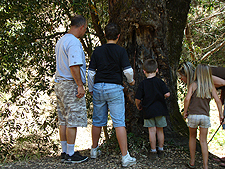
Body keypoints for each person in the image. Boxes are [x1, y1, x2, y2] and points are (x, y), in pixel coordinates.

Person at [88, 22, 136, 167]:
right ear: (118, 36)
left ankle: (94, 150)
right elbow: (127, 71)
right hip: (114, 88)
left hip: (98, 87)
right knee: (119, 122)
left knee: (97, 120)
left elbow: (91, 73)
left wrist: (91, 88)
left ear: (105, 35)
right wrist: (131, 81)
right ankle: (125, 157)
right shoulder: (121, 51)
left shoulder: (97, 51)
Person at [54, 15, 88, 163]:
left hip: (59, 83)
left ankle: (64, 151)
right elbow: (74, 65)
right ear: (81, 27)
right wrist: (80, 85)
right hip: (70, 84)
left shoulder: (61, 40)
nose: (85, 31)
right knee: (72, 120)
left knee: (63, 120)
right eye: (85, 28)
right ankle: (71, 154)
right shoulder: (73, 42)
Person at [178, 62, 225, 167]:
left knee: (192, 137)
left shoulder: (193, 85)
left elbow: (187, 99)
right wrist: (220, 114)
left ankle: (192, 162)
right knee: (203, 141)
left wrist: (185, 111)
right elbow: (217, 100)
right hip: (205, 117)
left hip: (193, 116)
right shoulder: (210, 86)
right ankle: (205, 165)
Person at [135, 59, 170, 159]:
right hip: (160, 109)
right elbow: (167, 94)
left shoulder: (143, 84)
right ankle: (161, 150)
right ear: (157, 70)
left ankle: (153, 151)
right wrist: (164, 97)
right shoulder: (160, 82)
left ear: (144, 71)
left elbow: (137, 98)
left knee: (151, 131)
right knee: (160, 130)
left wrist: (138, 105)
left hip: (148, 110)